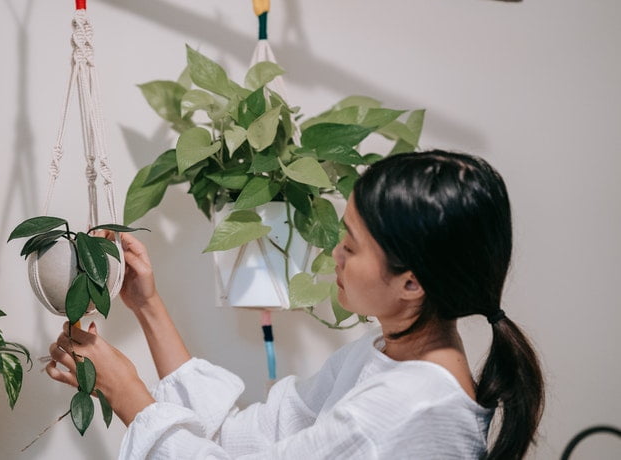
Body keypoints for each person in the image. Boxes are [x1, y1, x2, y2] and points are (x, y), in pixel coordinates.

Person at [46, 150, 544, 459]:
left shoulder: (408, 410)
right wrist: (148, 307)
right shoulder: (381, 356)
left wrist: (127, 393)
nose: (335, 254)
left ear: (411, 284)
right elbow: (243, 438)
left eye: (351, 245)